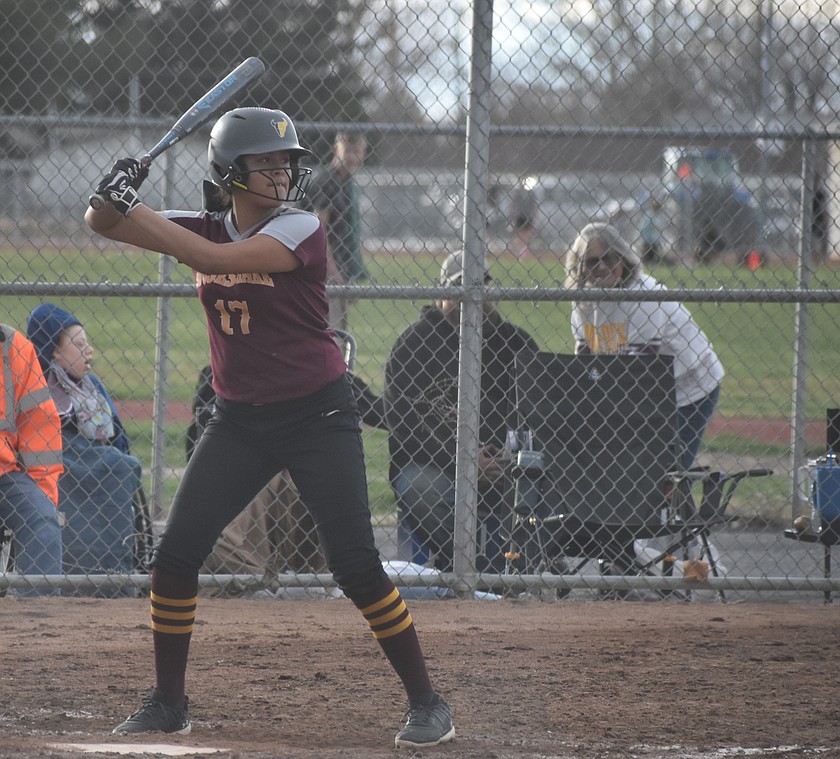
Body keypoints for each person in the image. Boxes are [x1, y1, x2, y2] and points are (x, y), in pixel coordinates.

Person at [84, 106, 453, 749]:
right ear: (230, 173)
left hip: (318, 414)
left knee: (356, 566)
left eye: (287, 162)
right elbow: (100, 221)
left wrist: (128, 206)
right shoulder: (208, 220)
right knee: (175, 557)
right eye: (267, 164)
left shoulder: (302, 227)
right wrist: (114, 190)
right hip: (238, 420)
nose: (283, 174)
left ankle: (428, 702)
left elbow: (208, 257)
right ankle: (169, 702)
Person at [384, 251, 539, 573]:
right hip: (438, 465)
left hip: (506, 463)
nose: (472, 297)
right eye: (460, 288)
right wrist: (465, 461)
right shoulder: (414, 345)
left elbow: (541, 414)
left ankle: (520, 569)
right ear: (441, 292)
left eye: (480, 286)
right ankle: (470, 568)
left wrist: (509, 456)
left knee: (540, 483)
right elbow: (405, 428)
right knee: (418, 486)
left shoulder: (515, 343)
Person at [565, 222, 724, 473]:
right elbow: (587, 363)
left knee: (665, 472)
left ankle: (678, 511)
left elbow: (642, 370)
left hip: (689, 386)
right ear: (580, 266)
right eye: (592, 261)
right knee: (631, 470)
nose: (602, 267)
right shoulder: (583, 300)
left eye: (609, 258)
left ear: (623, 258)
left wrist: (602, 392)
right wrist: (594, 388)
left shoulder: (643, 294)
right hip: (639, 388)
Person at [26, 303, 144, 596]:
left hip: (99, 463)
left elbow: (119, 440)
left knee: (120, 465)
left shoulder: (91, 387)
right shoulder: (36, 387)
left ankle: (112, 579)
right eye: (79, 345)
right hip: (55, 467)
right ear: (53, 350)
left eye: (88, 343)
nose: (89, 350)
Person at [0, 322, 64, 596]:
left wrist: (45, 497)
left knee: (43, 523)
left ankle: (39, 627)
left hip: (4, 472)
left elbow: (40, 429)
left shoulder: (13, 346)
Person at [308, 130, 370, 330]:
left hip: (338, 271)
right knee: (331, 335)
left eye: (358, 150)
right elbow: (318, 234)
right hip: (321, 273)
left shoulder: (347, 184)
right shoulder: (327, 182)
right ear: (336, 149)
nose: (353, 156)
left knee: (338, 333)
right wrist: (336, 277)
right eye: (349, 149)